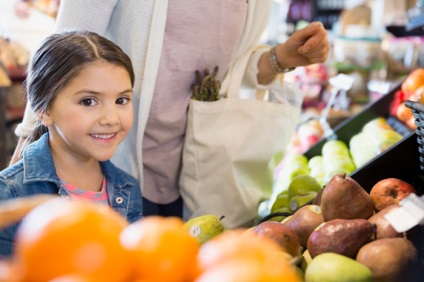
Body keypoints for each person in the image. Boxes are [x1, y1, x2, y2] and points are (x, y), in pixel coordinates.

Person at [11, 0, 330, 219]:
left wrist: (280, 59)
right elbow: (62, 51)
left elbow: (227, 69)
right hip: (118, 157)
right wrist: (29, 142)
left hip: (202, 163)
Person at [0, 30, 143, 257]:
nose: (111, 119)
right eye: (88, 101)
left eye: (121, 100)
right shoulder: (11, 193)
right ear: (44, 110)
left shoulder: (128, 188)